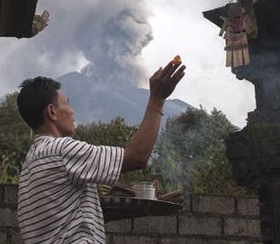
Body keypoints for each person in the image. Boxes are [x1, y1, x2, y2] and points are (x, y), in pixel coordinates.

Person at [15, 59, 186, 243]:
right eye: (67, 104)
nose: (72, 111)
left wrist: (143, 206)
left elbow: (76, 215)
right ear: (52, 112)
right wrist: (157, 99)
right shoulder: (61, 150)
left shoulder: (33, 160)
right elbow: (138, 156)